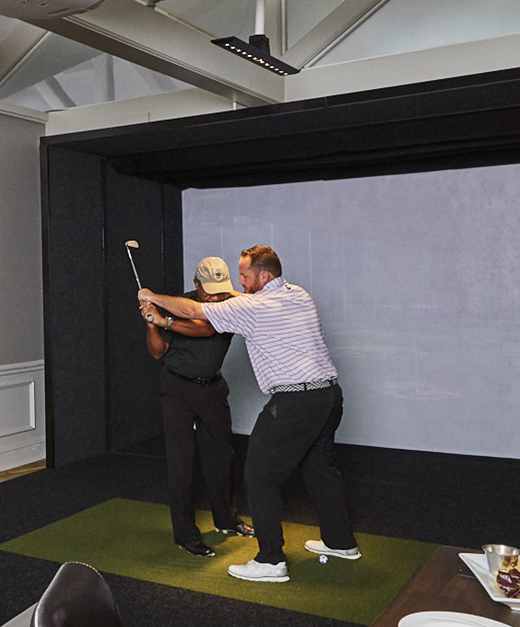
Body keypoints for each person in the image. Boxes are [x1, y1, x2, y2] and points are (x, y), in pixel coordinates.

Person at [138, 244, 358, 583]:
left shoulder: (252, 307)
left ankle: (270, 561)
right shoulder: (299, 295)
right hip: (329, 395)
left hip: (295, 402)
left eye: (244, 276)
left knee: (259, 476)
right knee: (321, 469)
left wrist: (151, 297)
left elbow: (194, 311)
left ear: (264, 276)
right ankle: (341, 542)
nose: (239, 282)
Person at [144, 256, 253, 557]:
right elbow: (157, 353)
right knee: (181, 464)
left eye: (221, 291)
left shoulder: (231, 304)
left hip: (212, 388)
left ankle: (226, 521)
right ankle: (185, 535)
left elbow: (206, 329)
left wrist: (162, 319)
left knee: (222, 458)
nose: (216, 298)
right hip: (177, 389)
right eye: (209, 292)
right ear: (196, 284)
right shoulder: (176, 304)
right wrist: (151, 323)